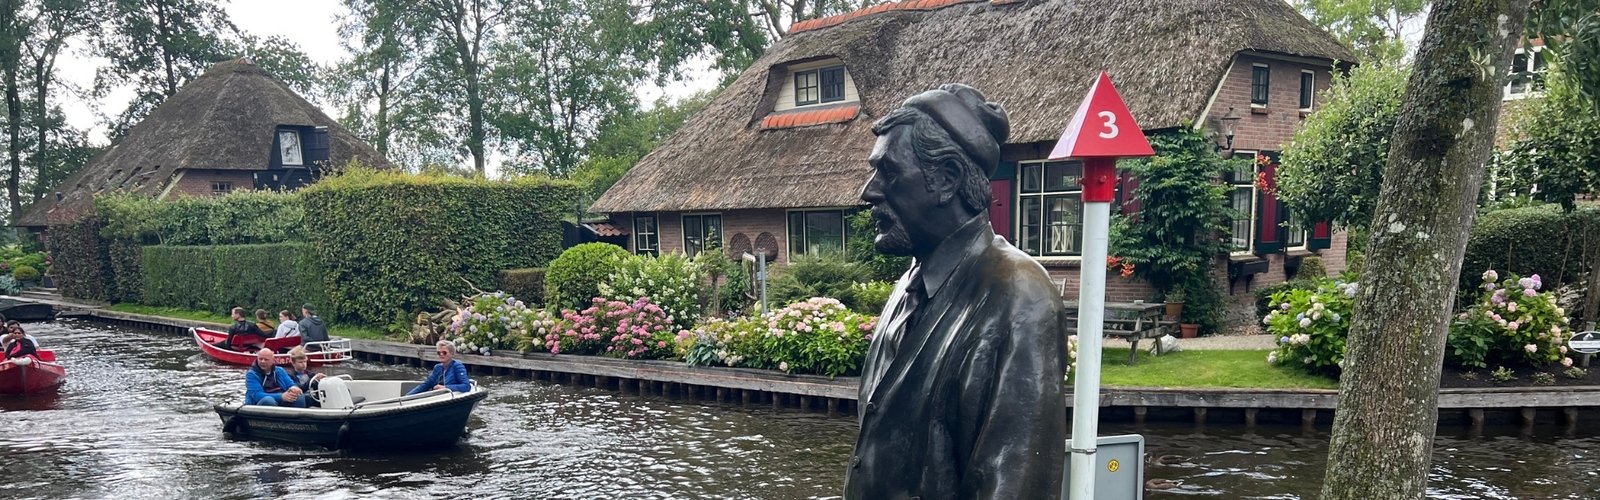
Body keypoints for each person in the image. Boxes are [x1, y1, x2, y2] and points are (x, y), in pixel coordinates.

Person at [844, 84, 1067, 498]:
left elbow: (1013, 484)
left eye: (889, 173)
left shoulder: (1018, 296)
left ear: (947, 180)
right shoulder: (909, 285)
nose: (869, 191)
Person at [406, 340, 471, 395]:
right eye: (439, 353)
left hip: (450, 397)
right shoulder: (437, 367)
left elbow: (466, 386)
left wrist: (445, 387)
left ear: (452, 353)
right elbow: (427, 384)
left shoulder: (457, 366)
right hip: (438, 397)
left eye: (444, 353)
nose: (441, 355)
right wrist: (407, 397)